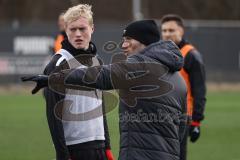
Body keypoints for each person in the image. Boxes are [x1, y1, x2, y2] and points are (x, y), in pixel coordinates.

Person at [22, 20, 187, 160]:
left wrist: (54, 78)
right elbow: (181, 132)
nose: (123, 45)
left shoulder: (140, 67)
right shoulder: (179, 80)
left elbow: (101, 76)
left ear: (145, 41)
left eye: (129, 39)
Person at [22, 4, 114, 160]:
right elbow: (53, 117)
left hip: (99, 147)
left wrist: (107, 148)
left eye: (82, 29)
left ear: (92, 28)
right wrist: (63, 155)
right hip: (75, 149)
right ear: (65, 30)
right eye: (72, 29)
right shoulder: (58, 64)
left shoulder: (97, 61)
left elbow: (100, 106)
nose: (78, 34)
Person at [160, 14, 207, 160]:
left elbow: (199, 90)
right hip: (161, 114)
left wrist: (196, 121)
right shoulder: (159, 52)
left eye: (171, 30)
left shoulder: (191, 55)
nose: (167, 34)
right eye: (164, 30)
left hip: (182, 116)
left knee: (177, 156)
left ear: (181, 31)